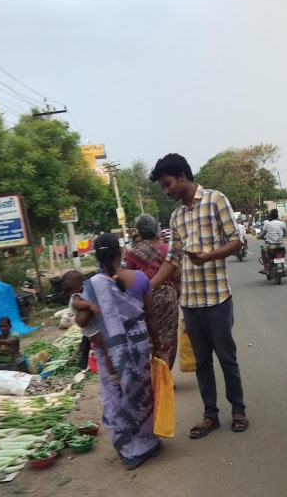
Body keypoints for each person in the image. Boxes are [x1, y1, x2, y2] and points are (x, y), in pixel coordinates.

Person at [149, 153, 249, 438]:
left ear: (182, 176)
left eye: (168, 184)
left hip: (217, 299)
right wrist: (145, 287)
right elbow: (172, 260)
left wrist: (208, 257)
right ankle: (210, 415)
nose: (167, 191)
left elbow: (236, 240)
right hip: (191, 303)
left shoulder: (216, 200)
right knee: (202, 362)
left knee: (227, 358)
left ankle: (238, 410)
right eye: (163, 187)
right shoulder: (176, 216)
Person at [75, 233, 163, 470]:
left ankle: (129, 450)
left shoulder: (93, 285)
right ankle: (149, 442)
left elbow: (83, 322)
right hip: (139, 348)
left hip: (111, 355)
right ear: (120, 252)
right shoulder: (141, 278)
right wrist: (158, 346)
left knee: (117, 399)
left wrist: (79, 302)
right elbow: (151, 315)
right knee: (142, 395)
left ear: (97, 256)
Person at [126, 214, 179, 369]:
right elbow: (177, 276)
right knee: (169, 337)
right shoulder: (168, 250)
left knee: (150, 337)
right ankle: (165, 374)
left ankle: (152, 374)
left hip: (146, 299)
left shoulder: (134, 253)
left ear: (139, 232)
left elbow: (130, 280)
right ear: (157, 228)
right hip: (168, 299)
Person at [61, 270, 115, 374]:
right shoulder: (76, 297)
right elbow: (76, 304)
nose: (84, 285)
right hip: (93, 331)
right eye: (82, 283)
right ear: (76, 286)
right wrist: (91, 305)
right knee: (108, 349)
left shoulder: (80, 295)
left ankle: (112, 372)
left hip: (92, 330)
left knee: (107, 349)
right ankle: (113, 373)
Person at [258, 209, 287, 274]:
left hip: (271, 245)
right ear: (277, 216)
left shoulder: (267, 224)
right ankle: (283, 266)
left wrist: (259, 237)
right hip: (280, 244)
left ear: (270, 216)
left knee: (263, 250)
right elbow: (285, 232)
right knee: (283, 251)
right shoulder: (283, 223)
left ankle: (265, 268)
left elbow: (263, 233)